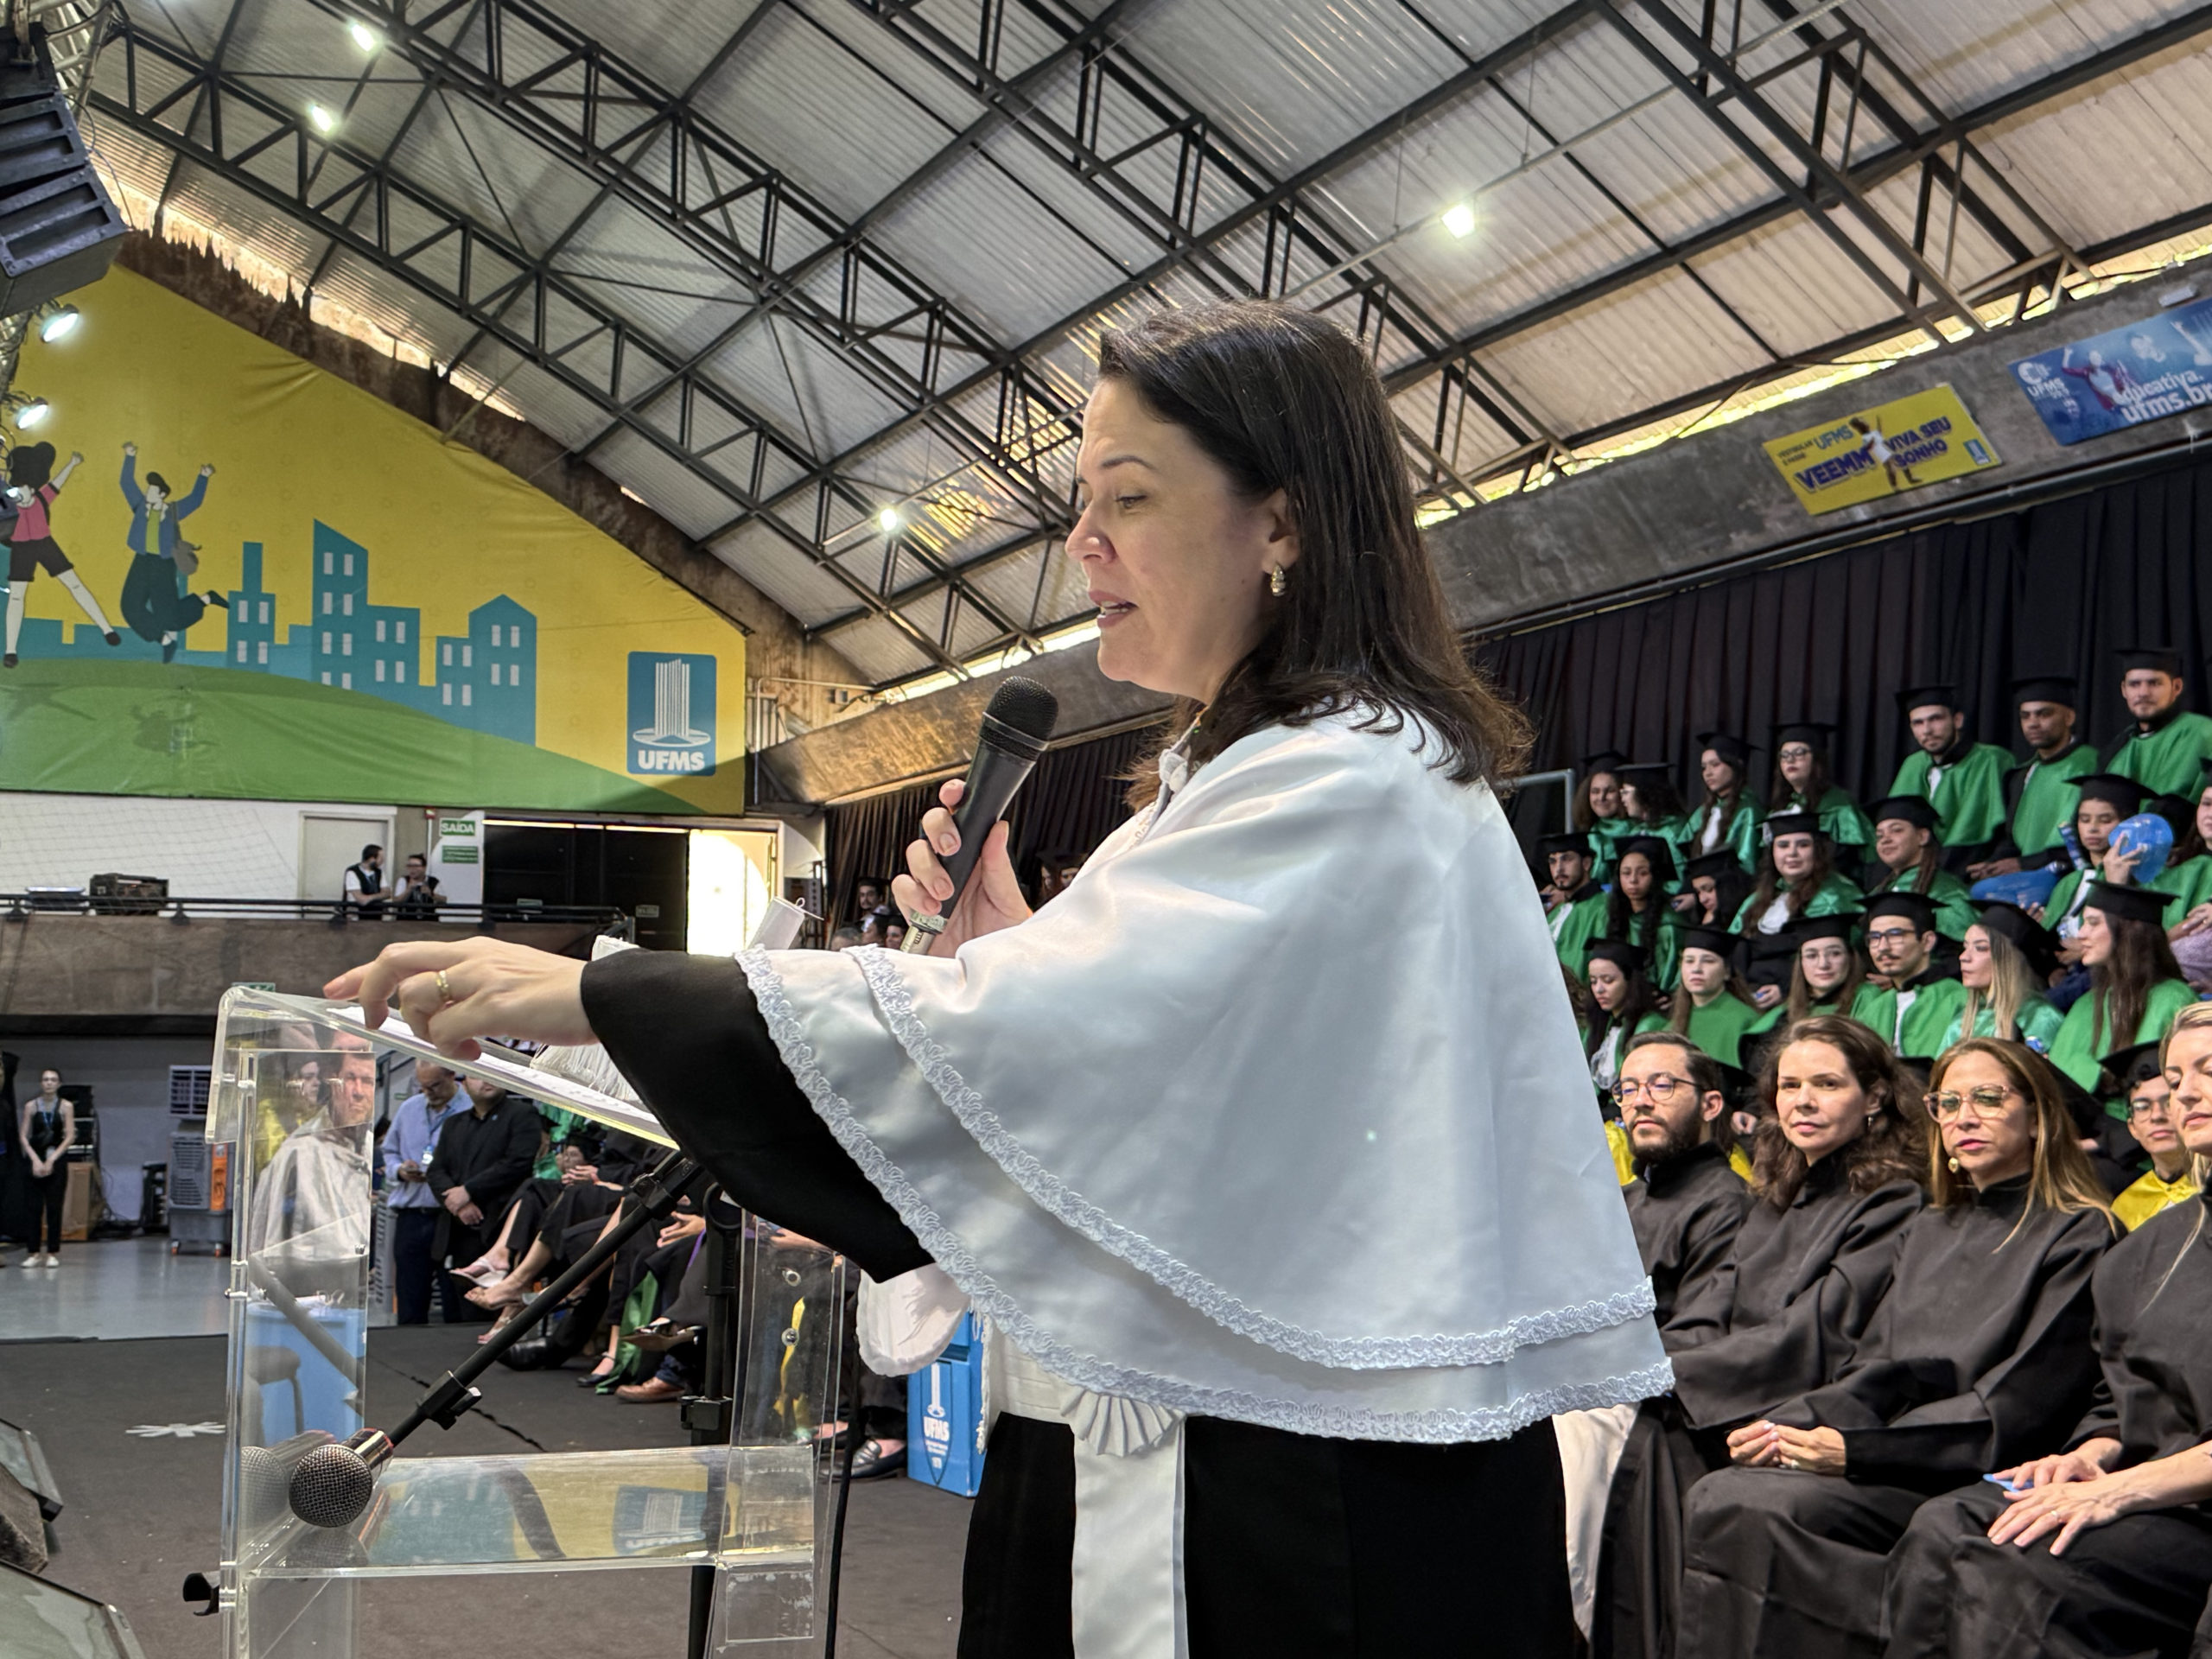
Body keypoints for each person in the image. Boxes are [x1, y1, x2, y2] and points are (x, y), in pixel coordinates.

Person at [328, 299, 1670, 1654]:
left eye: (1128, 498)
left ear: (1282, 523)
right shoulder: (1237, 782)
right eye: (1082, 500)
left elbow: (1116, 1056)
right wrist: (1007, 952)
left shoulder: (1349, 777)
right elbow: (1156, 1081)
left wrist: (600, 992)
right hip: (1187, 1454)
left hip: (1299, 1509)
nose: (1082, 542)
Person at [1676, 1039, 2115, 1659]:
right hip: (1891, 1450)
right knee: (1722, 1491)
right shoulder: (1930, 1226)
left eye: (1988, 1098)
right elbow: (1873, 1369)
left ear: (2038, 1117)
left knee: (1768, 1509)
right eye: (1949, 1103)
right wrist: (1788, 1426)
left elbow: (2017, 1406)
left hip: (1967, 1465)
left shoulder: (2082, 1232)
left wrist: (1854, 1451)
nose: (1964, 1117)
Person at [1878, 1004, 2212, 1659]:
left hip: (2190, 1505)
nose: (2186, 1094)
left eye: (2210, 1071)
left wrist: (2122, 1489)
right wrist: (2092, 1455)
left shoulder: (2093, 1233)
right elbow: (2125, 1398)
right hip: (2151, 1489)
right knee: (1945, 1525)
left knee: (2017, 1565)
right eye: (2174, 1081)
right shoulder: (2150, 1248)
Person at [1590, 1016, 1925, 1659]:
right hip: (1727, 1386)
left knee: (1657, 1436)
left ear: (1875, 1097)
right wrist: (1644, 1364)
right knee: (1636, 1421)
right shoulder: (1778, 1195)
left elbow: (1817, 1331)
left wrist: (1664, 1376)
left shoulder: (1893, 1201)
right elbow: (1713, 1306)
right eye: (1790, 1085)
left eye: (1826, 1084)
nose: (1802, 1101)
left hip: (1799, 1399)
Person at [1559, 1033, 1752, 1637]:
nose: (1640, 1100)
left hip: (1643, 1400)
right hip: (1582, 1381)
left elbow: (1701, 1333)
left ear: (1711, 1104)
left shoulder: (1727, 1204)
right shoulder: (1620, 1200)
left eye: (1662, 1085)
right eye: (1628, 1088)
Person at [246, 1038, 377, 1294]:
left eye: (368, 1082)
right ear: (334, 1083)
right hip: (306, 1288)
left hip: (352, 1285)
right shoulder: (300, 1152)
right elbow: (271, 1246)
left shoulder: (368, 1147)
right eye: (350, 1079)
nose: (359, 1091)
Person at [2045, 880, 2198, 1096]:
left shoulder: (2174, 999)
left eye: (2093, 923)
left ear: (2128, 931)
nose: (2081, 934)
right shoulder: (2087, 1003)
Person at [427, 1077, 541, 1324]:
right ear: (464, 1085)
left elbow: (518, 1162)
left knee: (495, 1309)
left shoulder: (523, 1115)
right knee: (460, 1309)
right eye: (476, 1075)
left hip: (501, 1225)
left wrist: (469, 1191)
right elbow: (436, 1170)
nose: (486, 1080)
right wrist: (457, 1202)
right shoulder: (454, 1123)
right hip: (459, 1228)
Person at [2, 442, 118, 669]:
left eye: (23, 491)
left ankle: (107, 629)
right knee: (16, 597)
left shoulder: (42, 498)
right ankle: (11, 651)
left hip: (46, 545)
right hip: (21, 549)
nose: (19, 497)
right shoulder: (7, 505)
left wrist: (72, 463)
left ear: (33, 486)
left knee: (75, 584)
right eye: (15, 491)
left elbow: (57, 482)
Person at [1970, 676, 2097, 880]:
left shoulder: (2092, 765)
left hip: (2072, 875)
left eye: (2043, 714)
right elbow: (2012, 839)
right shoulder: (2023, 775)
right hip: (2028, 875)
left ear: (2069, 717)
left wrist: (2024, 864)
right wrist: (1992, 865)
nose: (2032, 724)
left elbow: (2089, 841)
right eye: (2025, 716)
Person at [117, 443, 224, 663]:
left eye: (153, 490)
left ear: (162, 494)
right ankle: (165, 641)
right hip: (142, 561)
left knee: (170, 618)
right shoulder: (140, 507)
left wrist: (203, 477)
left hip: (163, 565)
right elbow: (126, 483)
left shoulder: (172, 511)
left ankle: (205, 599)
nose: (148, 492)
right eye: (148, 489)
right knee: (130, 607)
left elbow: (194, 501)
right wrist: (130, 456)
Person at [1732, 811, 1862, 991]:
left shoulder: (1837, 894)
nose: (1792, 853)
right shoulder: (1757, 900)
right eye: (1783, 845)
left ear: (1817, 851)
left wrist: (1785, 990)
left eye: (1803, 845)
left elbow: (1839, 960)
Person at [1886, 686, 2010, 863]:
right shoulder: (1913, 764)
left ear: (1957, 720)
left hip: (1973, 861)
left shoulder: (1991, 759)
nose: (1927, 730)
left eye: (1935, 719)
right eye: (1918, 723)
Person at [381, 1060, 465, 1324]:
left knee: (455, 1300)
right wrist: (399, 1170)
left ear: (452, 1075)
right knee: (410, 1300)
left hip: (452, 1218)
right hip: (412, 1215)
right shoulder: (409, 1108)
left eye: (435, 1085)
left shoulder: (469, 1110)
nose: (428, 1092)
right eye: (423, 1086)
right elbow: (389, 1151)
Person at [1939, 901, 2066, 1052]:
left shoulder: (2041, 1018)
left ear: (2008, 961)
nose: (1964, 957)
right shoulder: (1960, 1024)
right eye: (1965, 947)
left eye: (1980, 948)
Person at [1855, 892, 1967, 1059]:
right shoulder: (1873, 1010)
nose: (1883, 947)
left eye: (1895, 935)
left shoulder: (1959, 999)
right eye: (1874, 938)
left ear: (1927, 941)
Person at [2101, 1039, 2196, 1230]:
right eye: (2142, 1106)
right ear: (2132, 1127)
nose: (2157, 1116)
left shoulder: (2206, 1187)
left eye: (2168, 1102)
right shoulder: (2125, 1209)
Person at [2101, 644, 2212, 798]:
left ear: (2177, 687)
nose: (2143, 693)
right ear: (2124, 690)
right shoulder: (2119, 746)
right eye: (2134, 684)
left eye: (2154, 683)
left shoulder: (2203, 733)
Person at [1862, 796, 1977, 942]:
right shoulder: (1879, 891)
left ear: (1922, 836)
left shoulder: (1946, 891)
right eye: (1879, 836)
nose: (1885, 840)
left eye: (1896, 830)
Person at [1748, 913, 1881, 1038]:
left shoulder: (1868, 997)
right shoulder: (1786, 1011)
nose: (1823, 964)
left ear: (1851, 957)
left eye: (1835, 954)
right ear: (1801, 963)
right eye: (1811, 956)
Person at [1769, 722, 1873, 877]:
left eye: (1799, 753)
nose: (1790, 760)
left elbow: (1848, 858)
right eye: (1784, 755)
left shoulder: (1839, 804)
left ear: (1817, 759)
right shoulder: (1782, 806)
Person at [1669, 926, 1764, 1069]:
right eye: (1689, 961)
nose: (1696, 969)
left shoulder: (1745, 1020)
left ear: (1727, 971)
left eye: (1708, 961)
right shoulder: (1673, 1022)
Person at [1587, 939, 1670, 1094]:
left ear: (1630, 981)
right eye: (1593, 981)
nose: (1599, 989)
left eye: (1608, 980)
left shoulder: (1651, 1025)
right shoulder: (1602, 1024)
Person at [1605, 835, 1681, 991]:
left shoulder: (1669, 925)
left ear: (1655, 876)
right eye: (1626, 873)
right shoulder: (1618, 918)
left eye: (1643, 873)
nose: (1633, 880)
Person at [13, 1068, 72, 1268]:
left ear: (59, 1084)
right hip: (34, 1159)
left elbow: (69, 1136)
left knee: (54, 1207)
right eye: (46, 1080)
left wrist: (52, 1160)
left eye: (53, 1080)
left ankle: (52, 1252)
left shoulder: (66, 1106)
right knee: (33, 1208)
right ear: (41, 1083)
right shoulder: (31, 1106)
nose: (49, 1083)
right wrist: (35, 1160)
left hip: (56, 1159)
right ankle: (34, 1252)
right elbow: (23, 1136)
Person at [1687, 732, 1763, 872]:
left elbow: (1747, 862)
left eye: (1715, 765)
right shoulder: (1704, 811)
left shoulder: (1748, 810)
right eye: (1704, 767)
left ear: (1736, 765)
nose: (1708, 773)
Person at [1544, 829, 1611, 971]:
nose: (1558, 869)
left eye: (1567, 859)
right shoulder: (1555, 912)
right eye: (1553, 861)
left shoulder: (1604, 907)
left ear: (1586, 863)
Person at [1580, 749, 1637, 880]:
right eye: (1595, 791)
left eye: (1610, 791)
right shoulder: (1586, 835)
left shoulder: (1637, 831)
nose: (1601, 798)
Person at [1618, 762, 1690, 856]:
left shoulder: (1673, 833)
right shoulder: (1636, 831)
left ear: (1644, 794)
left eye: (1626, 792)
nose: (1622, 799)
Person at [1677, 849, 1754, 934]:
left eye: (1708, 889)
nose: (1702, 900)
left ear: (1727, 884)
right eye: (1698, 892)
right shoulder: (1710, 917)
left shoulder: (1752, 912)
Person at [391, 853, 445, 918]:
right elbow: (396, 901)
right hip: (406, 920)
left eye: (416, 866)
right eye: (409, 866)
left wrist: (431, 894)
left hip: (428, 920)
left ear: (424, 868)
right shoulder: (403, 880)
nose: (412, 869)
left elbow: (443, 900)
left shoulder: (433, 881)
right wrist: (407, 891)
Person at [343, 844, 386, 920]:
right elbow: (361, 900)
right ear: (372, 858)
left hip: (376, 916)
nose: (383, 861)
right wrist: (379, 896)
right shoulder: (352, 872)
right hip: (356, 918)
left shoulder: (379, 872)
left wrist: (368, 898)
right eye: (381, 858)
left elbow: (387, 893)